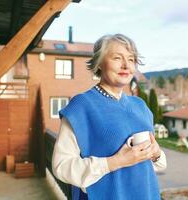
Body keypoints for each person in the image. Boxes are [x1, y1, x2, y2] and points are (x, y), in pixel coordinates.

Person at [52, 33, 167, 200]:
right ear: (99, 63)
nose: (126, 65)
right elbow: (61, 166)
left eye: (131, 59)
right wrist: (115, 162)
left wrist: (156, 153)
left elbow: (155, 165)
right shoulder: (81, 106)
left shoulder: (140, 106)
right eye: (117, 58)